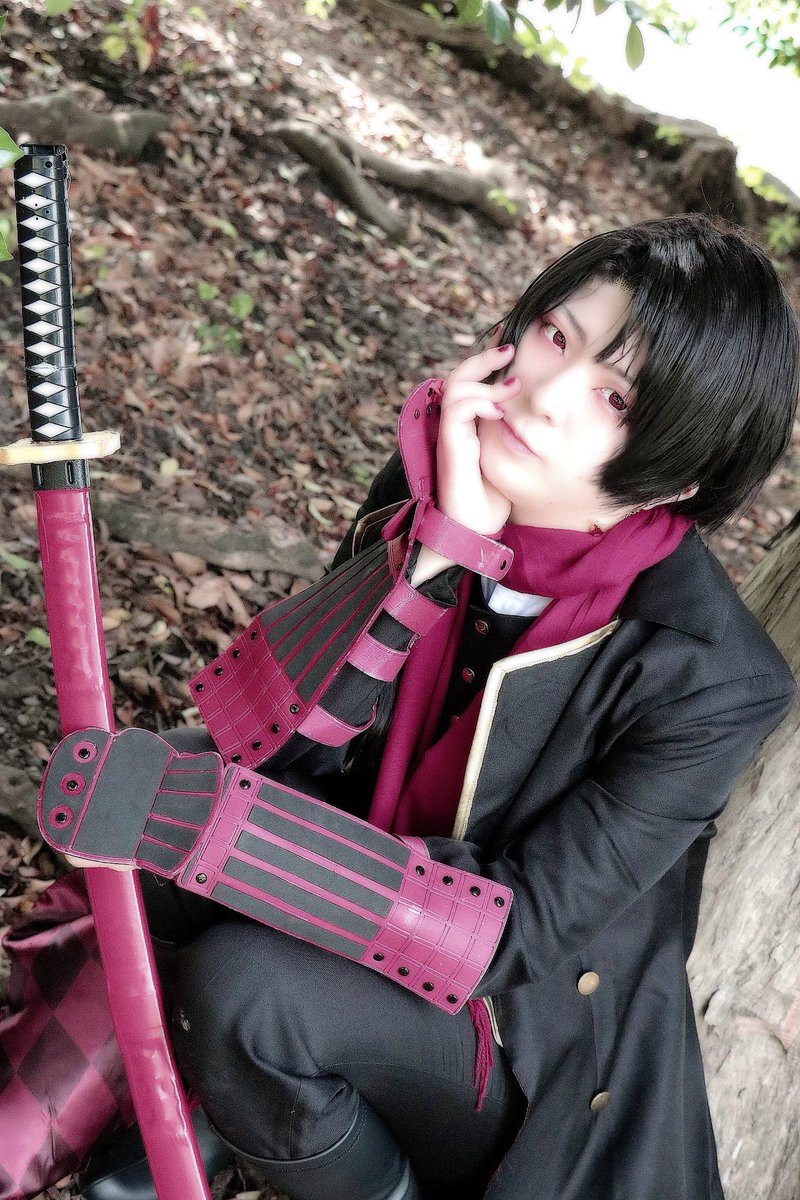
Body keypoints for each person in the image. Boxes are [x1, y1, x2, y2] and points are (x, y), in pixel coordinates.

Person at [45, 214, 798, 1200]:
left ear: (677, 474)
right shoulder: (430, 477)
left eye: (614, 398)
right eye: (556, 336)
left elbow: (515, 933)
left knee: (247, 990)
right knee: (139, 805)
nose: (545, 396)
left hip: (521, 1053)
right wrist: (434, 559)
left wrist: (212, 828)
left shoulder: (713, 676)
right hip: (369, 883)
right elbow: (283, 755)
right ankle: (127, 1116)